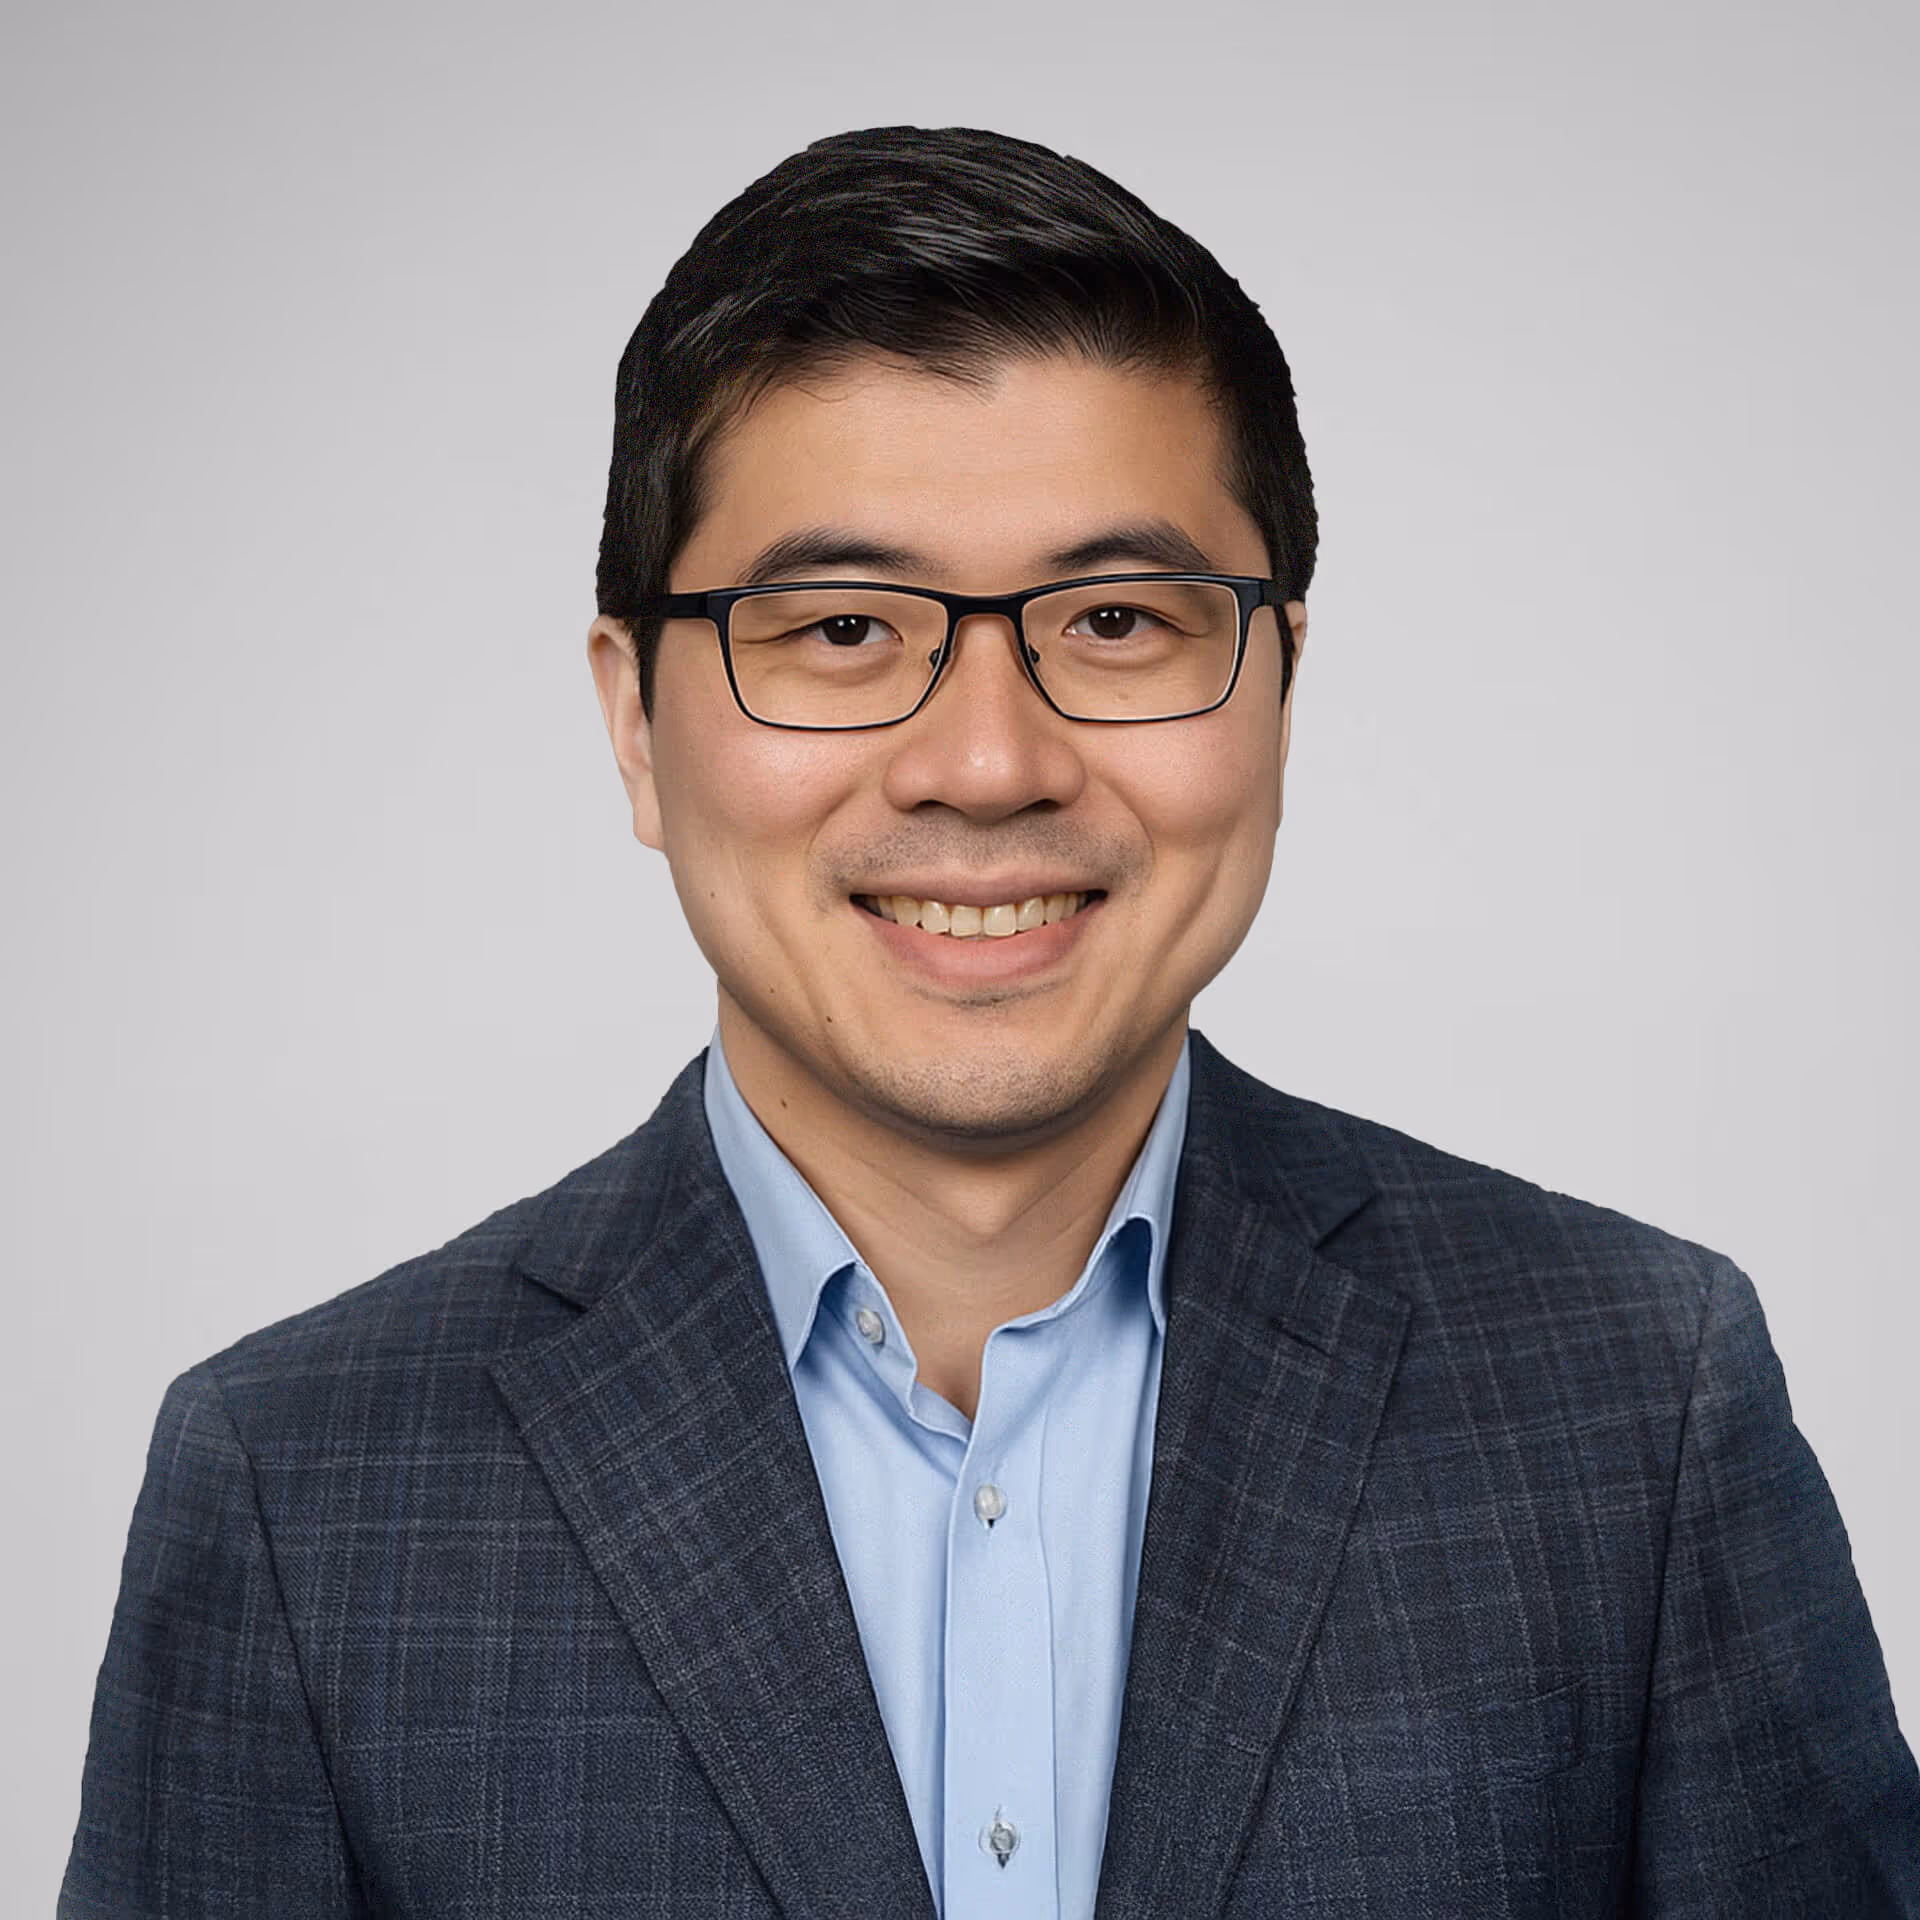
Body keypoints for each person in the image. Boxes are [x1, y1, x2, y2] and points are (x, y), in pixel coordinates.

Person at [61, 124, 1918, 1920]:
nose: (987, 763)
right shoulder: (302, 1490)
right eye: (845, 631)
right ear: (636, 722)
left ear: (1276, 684)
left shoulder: (1632, 1404)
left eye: (1117, 620)